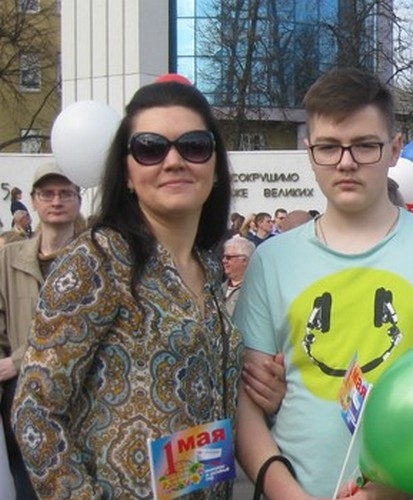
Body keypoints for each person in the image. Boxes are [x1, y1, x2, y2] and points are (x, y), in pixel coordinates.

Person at [233, 67, 413, 500]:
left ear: (394, 149)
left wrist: (398, 485)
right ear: (309, 152)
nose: (346, 162)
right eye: (328, 147)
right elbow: (248, 408)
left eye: (364, 145)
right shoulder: (272, 260)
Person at [12, 79, 284, 500]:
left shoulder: (208, 266)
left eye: (194, 146)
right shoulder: (98, 260)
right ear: (126, 172)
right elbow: (34, 412)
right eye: (150, 148)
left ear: (215, 167)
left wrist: (265, 393)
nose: (173, 161)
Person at [0, 161, 82, 499]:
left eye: (65, 193)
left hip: (78, 401)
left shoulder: (93, 258)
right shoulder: (9, 259)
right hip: (22, 403)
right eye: (47, 194)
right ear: (33, 201)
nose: (56, 201)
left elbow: (77, 326)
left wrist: (19, 359)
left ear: (78, 199)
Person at [221, 236, 256, 316]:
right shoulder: (218, 288)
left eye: (228, 257)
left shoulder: (253, 292)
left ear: (244, 260)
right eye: (224, 257)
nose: (224, 260)